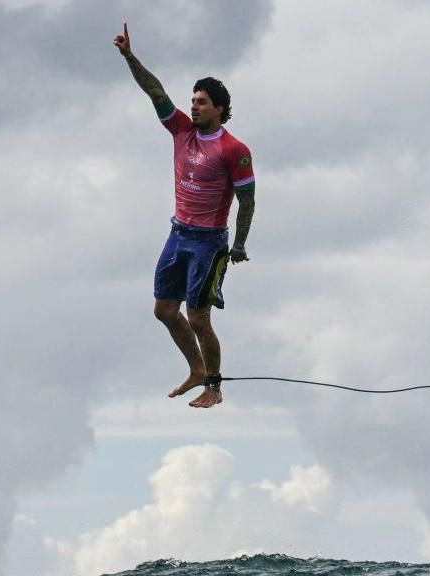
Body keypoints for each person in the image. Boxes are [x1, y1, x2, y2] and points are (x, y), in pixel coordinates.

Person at [113, 23, 256, 408]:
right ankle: (195, 369)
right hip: (178, 234)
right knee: (163, 310)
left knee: (198, 317)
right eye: (193, 100)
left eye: (202, 102)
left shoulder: (234, 149)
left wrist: (239, 244)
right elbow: (155, 91)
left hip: (209, 243)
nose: (193, 106)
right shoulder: (181, 130)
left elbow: (247, 200)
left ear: (220, 109)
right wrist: (129, 56)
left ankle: (214, 385)